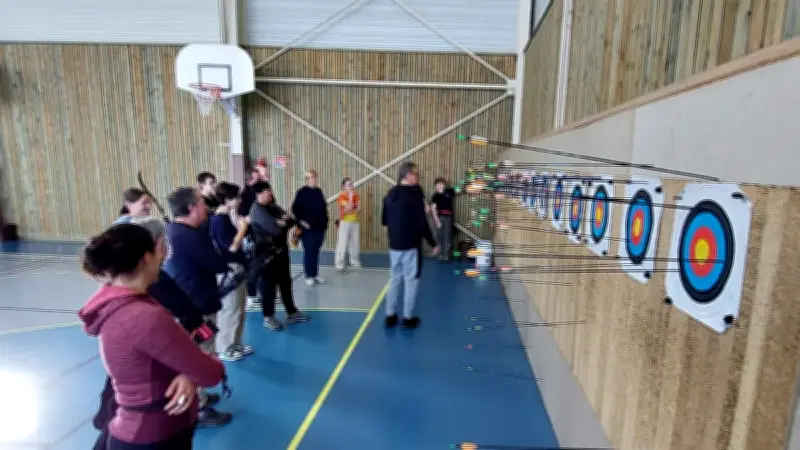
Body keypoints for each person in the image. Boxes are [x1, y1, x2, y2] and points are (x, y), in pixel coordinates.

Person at [78, 223, 226, 449]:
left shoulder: (115, 303)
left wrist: (188, 373)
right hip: (153, 436)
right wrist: (200, 368)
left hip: (138, 428)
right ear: (147, 258)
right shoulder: (143, 316)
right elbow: (211, 373)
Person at [163, 187, 236, 427]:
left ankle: (200, 396)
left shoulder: (172, 231)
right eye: (201, 203)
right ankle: (199, 408)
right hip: (198, 308)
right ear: (192, 208)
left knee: (195, 351)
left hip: (188, 303)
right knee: (200, 354)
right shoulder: (189, 237)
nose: (206, 207)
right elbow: (218, 264)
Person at [381, 161, 438, 329]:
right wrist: (432, 242)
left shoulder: (391, 193)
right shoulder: (414, 195)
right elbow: (421, 223)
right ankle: (407, 318)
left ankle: (390, 315)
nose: (418, 177)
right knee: (411, 280)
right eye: (416, 174)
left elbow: (384, 220)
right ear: (407, 175)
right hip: (410, 245)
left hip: (394, 244)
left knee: (394, 278)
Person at [249, 181, 310, 330]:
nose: (270, 193)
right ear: (258, 194)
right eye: (266, 191)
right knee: (268, 287)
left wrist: (282, 222)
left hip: (281, 252)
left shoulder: (273, 207)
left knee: (285, 283)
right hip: (266, 255)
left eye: (270, 190)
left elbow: (291, 221)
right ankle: (268, 316)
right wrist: (280, 223)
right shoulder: (257, 210)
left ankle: (292, 312)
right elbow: (274, 229)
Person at [209, 182, 253, 361]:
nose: (240, 200)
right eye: (236, 197)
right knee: (230, 309)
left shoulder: (226, 217)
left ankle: (236, 342)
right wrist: (243, 227)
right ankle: (225, 347)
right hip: (229, 269)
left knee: (239, 308)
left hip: (238, 267)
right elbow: (232, 246)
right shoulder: (219, 221)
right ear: (227, 199)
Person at [236, 166, 271, 311]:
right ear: (249, 180)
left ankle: (263, 292)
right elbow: (241, 216)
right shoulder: (245, 194)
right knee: (253, 266)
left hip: (262, 235)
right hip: (250, 235)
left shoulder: (260, 192)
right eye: (256, 179)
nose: (259, 181)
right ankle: (251, 296)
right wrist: (248, 220)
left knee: (263, 265)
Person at [291, 169, 329, 287]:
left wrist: (326, 221)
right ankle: (308, 275)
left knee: (316, 251)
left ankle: (315, 274)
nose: (314, 180)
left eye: (315, 177)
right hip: (307, 229)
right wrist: (301, 221)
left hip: (320, 227)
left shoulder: (319, 191)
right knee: (309, 251)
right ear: (307, 180)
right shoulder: (301, 192)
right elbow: (295, 209)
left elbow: (323, 207)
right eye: (312, 178)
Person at [334, 177, 361, 271]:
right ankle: (339, 264)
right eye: (348, 185)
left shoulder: (356, 195)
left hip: (355, 221)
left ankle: (354, 260)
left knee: (355, 242)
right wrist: (350, 196)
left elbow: (359, 209)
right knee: (342, 243)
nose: (351, 186)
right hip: (345, 221)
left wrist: (352, 209)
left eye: (351, 184)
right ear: (343, 187)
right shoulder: (341, 196)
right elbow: (348, 208)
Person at [430, 178, 456, 262]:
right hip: (439, 217)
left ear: (444, 185)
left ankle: (446, 255)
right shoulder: (435, 196)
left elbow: (459, 190)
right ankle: (440, 255)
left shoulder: (450, 191)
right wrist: (437, 221)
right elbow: (433, 208)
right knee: (439, 237)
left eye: (440, 184)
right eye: (437, 185)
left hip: (448, 218)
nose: (439, 186)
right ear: (435, 186)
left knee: (447, 237)